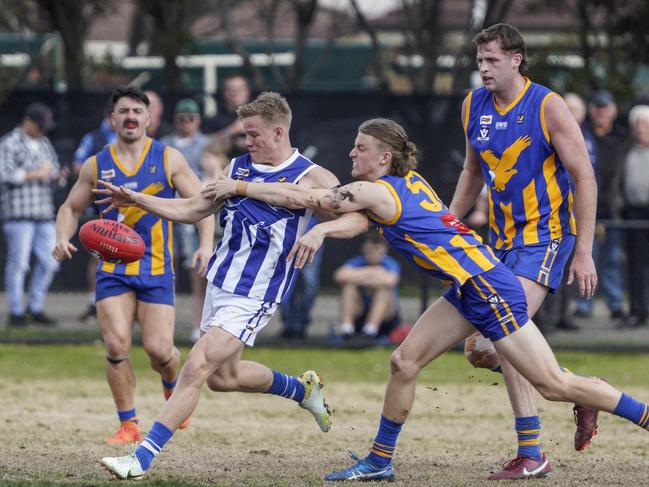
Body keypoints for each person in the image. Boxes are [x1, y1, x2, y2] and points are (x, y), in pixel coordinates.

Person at [206, 117, 649, 482]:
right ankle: (380, 461)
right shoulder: (404, 183)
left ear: (385, 157)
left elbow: (307, 196)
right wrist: (321, 229)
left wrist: (238, 188)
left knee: (553, 385)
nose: (351, 154)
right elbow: (353, 219)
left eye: (360, 148)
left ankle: (638, 413)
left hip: (487, 287)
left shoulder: (377, 190)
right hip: (469, 287)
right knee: (404, 362)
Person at [97, 91, 334, 480]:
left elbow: (333, 204)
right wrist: (137, 199)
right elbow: (192, 209)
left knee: (197, 366)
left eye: (255, 135)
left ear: (279, 131)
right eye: (245, 135)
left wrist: (318, 231)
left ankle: (139, 458)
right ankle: (302, 390)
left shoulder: (313, 174)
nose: (248, 142)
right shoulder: (237, 167)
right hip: (220, 284)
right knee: (224, 379)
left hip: (257, 292)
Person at [446, 24, 599, 478]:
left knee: (503, 331)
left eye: (492, 60)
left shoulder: (547, 105)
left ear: (516, 60)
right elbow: (473, 171)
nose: (484, 70)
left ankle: (532, 452)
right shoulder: (473, 105)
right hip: (501, 241)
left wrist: (584, 250)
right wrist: (448, 223)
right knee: (479, 351)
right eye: (479, 62)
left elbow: (584, 177)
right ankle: (581, 391)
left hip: (546, 238)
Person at [53, 85, 215, 444]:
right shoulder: (97, 164)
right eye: (123, 111)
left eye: (137, 112)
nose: (130, 117)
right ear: (113, 119)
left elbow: (202, 203)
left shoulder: (168, 158)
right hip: (112, 271)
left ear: (148, 118)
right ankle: (128, 424)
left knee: (159, 350)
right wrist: (62, 237)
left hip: (157, 268)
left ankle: (172, 385)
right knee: (116, 345)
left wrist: (205, 244)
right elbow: (70, 208)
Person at [0, 102, 67, 327]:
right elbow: (5, 174)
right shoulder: (10, 143)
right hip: (18, 215)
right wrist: (36, 174)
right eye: (39, 126)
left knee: (51, 261)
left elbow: (54, 173)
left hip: (44, 213)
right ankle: (16, 311)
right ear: (27, 121)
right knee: (19, 265)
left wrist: (59, 177)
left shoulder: (45, 143)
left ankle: (35, 307)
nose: (42, 130)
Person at [573, 89, 627, 321]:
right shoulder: (580, 136)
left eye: (605, 107)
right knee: (586, 256)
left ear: (613, 110)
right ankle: (584, 305)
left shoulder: (624, 138)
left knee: (612, 259)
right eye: (597, 107)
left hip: (612, 209)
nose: (601, 112)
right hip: (586, 209)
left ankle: (615, 303)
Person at [161, 98, 211, 342]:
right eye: (181, 118)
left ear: (198, 120)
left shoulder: (207, 145)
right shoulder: (164, 145)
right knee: (164, 271)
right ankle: (161, 325)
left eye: (190, 119)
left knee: (198, 273)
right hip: (169, 211)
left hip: (195, 210)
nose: (185, 123)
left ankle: (197, 324)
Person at [72, 100, 117, 322]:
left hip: (127, 205)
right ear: (111, 115)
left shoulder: (133, 139)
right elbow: (78, 165)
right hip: (99, 203)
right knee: (98, 254)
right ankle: (94, 300)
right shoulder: (94, 138)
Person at [333, 231, 400, 340]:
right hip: (359, 312)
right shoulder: (357, 262)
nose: (373, 253)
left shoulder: (390, 263)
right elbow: (339, 276)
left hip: (386, 318)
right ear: (364, 248)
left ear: (384, 250)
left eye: (377, 249)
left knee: (384, 290)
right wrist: (373, 272)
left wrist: (357, 277)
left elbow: (390, 281)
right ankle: (347, 330)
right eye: (370, 249)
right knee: (348, 287)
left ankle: (370, 331)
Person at [622, 105, 649, 327]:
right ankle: (637, 311)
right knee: (636, 266)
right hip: (632, 213)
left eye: (647, 125)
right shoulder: (627, 151)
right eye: (639, 125)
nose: (643, 129)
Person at [279, 215, 324, 339]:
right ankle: (288, 325)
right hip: (286, 241)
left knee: (310, 284)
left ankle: (300, 323)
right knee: (284, 286)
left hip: (310, 242)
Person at [203, 74, 251, 158]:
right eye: (230, 90)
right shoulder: (213, 121)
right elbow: (203, 145)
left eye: (239, 89)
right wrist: (232, 130)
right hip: (225, 167)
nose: (234, 93)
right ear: (224, 93)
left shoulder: (260, 117)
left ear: (247, 92)